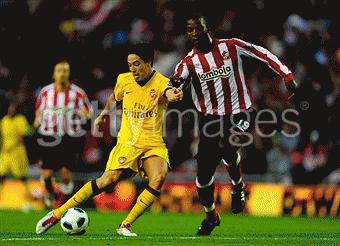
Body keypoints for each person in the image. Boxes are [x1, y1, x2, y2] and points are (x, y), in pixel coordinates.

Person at [35, 43, 183, 236]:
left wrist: (174, 94)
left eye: (137, 64)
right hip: (128, 143)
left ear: (148, 62)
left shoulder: (162, 82)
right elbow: (115, 96)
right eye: (130, 64)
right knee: (108, 181)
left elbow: (169, 92)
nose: (132, 69)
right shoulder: (124, 79)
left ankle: (125, 225)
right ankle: (56, 214)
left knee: (159, 177)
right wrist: (104, 114)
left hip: (153, 143)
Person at [171, 14, 297, 235]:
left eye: (197, 28)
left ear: (206, 28)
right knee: (202, 180)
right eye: (189, 30)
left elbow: (263, 53)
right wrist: (172, 92)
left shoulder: (231, 46)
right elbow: (174, 84)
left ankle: (237, 186)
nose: (194, 33)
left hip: (240, 112)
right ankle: (211, 217)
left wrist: (286, 75)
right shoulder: (188, 63)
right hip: (210, 121)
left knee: (229, 142)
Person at [34, 60, 92, 208]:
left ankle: (64, 202)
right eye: (59, 71)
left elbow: (89, 113)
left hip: (69, 137)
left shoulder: (78, 93)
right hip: (48, 136)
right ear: (54, 74)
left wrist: (81, 114)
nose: (62, 74)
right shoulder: (46, 92)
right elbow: (39, 109)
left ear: (69, 74)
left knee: (65, 173)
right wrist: (37, 119)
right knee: (47, 174)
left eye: (65, 71)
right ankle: (50, 192)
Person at [0, 101, 34, 210]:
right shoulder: (4, 120)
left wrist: (11, 146)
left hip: (17, 153)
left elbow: (22, 136)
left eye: (14, 109)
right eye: (10, 108)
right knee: (1, 176)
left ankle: (29, 203)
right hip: (5, 154)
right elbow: (3, 137)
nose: (11, 110)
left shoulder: (20, 119)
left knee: (22, 178)